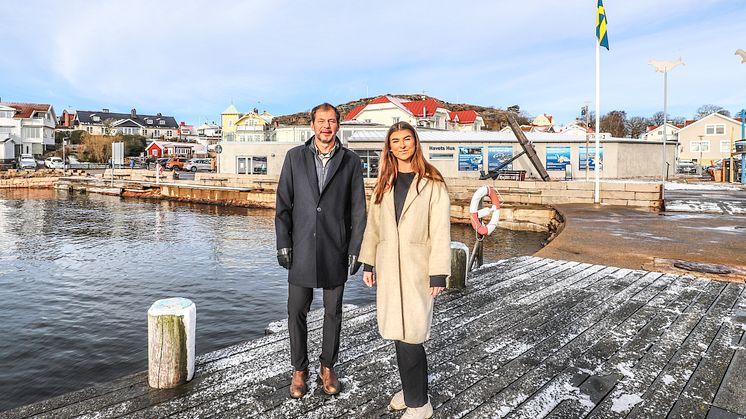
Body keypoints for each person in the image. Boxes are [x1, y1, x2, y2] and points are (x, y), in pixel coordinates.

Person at [359, 121, 451, 419]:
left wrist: (438, 271)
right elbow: (373, 228)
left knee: (412, 333)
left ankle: (419, 404)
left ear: (416, 142)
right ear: (389, 147)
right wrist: (368, 262)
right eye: (395, 141)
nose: (401, 145)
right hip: (388, 266)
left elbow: (440, 231)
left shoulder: (432, 183)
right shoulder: (384, 182)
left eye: (407, 139)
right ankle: (413, 388)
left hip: (417, 268)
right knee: (398, 332)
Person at [275, 102, 367, 398]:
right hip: (301, 247)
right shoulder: (294, 158)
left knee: (333, 312)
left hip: (334, 248)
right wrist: (283, 243)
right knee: (295, 311)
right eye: (321, 121)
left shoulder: (351, 161)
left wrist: (356, 248)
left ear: (338, 125)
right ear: (312, 125)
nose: (326, 126)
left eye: (331, 121)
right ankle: (299, 370)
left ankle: (327, 366)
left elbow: (358, 211)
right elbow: (283, 206)